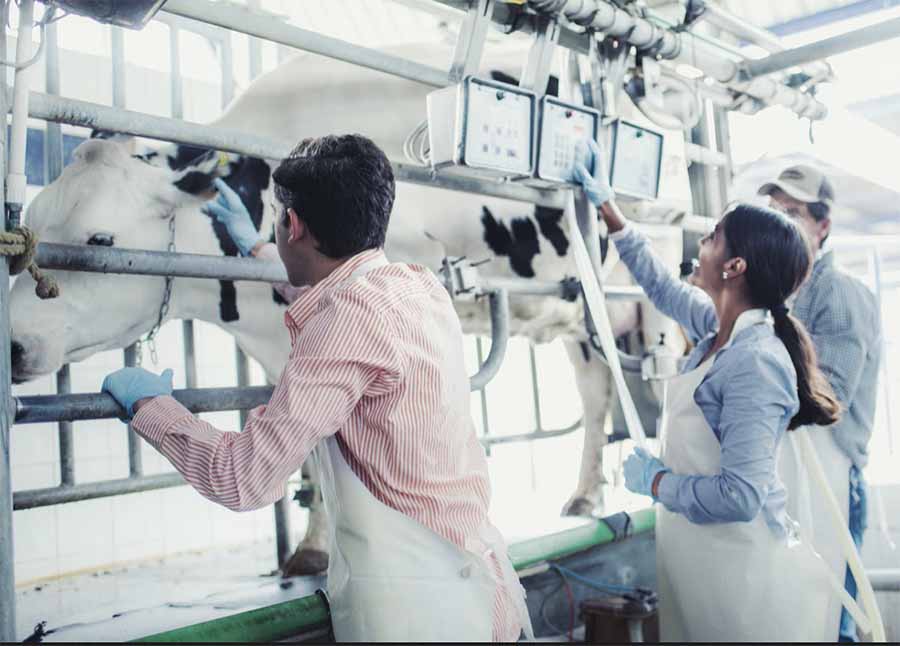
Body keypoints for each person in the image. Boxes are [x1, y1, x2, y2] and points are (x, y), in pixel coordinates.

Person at [101, 134, 532, 642]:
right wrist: (259, 248)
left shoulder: (343, 325)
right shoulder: (417, 285)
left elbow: (243, 480)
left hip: (420, 613)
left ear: (295, 225)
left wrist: (151, 407)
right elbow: (335, 291)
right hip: (485, 589)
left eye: (278, 217)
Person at [574, 139, 842, 641]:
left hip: (747, 583)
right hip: (703, 564)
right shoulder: (717, 331)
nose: (700, 244)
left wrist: (658, 484)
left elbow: (740, 497)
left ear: (734, 266)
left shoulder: (755, 362)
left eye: (713, 236)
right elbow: (661, 288)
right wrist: (608, 208)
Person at [760, 165, 883, 642]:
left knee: (833, 624)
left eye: (791, 214)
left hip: (832, 483)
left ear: (822, 227)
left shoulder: (839, 294)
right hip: (797, 482)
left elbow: (825, 400)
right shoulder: (781, 296)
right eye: (773, 214)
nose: (779, 226)